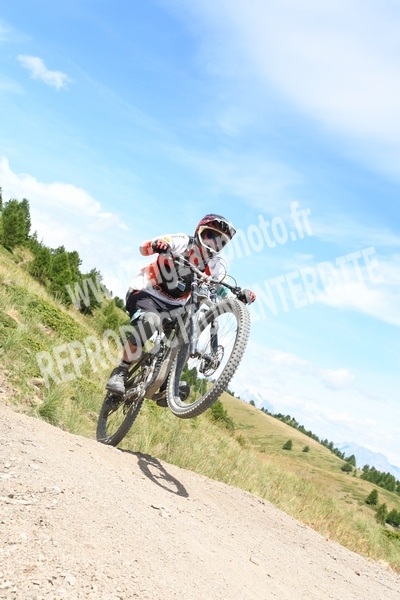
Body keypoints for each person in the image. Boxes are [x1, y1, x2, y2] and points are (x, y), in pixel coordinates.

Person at [105, 214, 256, 399]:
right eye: (210, 236)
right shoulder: (183, 242)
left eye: (220, 242)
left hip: (174, 307)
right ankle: (121, 371)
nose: (213, 244)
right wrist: (157, 244)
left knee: (187, 332)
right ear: (199, 232)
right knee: (150, 321)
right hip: (147, 292)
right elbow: (144, 247)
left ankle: (167, 381)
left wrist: (239, 296)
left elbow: (221, 289)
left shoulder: (216, 265)